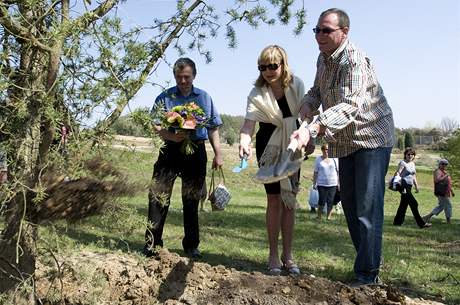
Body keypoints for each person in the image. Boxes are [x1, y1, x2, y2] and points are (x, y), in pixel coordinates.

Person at [290, 8, 394, 286]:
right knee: (349, 204)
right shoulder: (323, 59)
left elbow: (349, 106)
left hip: (372, 136)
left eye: (326, 30)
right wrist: (305, 113)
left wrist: (313, 129)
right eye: (317, 30)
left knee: (367, 208)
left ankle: (367, 275)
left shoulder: (353, 60)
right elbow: (316, 92)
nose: (319, 36)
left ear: (344, 32)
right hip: (346, 140)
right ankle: (368, 263)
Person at [143, 57, 223, 258]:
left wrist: (218, 154)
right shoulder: (165, 96)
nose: (183, 81)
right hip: (169, 150)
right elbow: (155, 123)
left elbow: (213, 127)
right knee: (158, 197)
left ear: (194, 75)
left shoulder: (204, 97)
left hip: (196, 151)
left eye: (186, 77)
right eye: (179, 77)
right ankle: (152, 244)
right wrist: (171, 136)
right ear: (174, 77)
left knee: (191, 199)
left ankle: (191, 245)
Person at [239, 45, 305, 275]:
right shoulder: (256, 93)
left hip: (293, 144)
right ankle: (273, 255)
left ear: (283, 64)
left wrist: (309, 137)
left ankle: (288, 255)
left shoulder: (297, 85)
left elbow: (306, 117)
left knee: (289, 202)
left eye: (272, 66)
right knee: (274, 200)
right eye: (263, 67)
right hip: (268, 145)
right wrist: (244, 141)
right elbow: (248, 126)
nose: (268, 71)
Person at [392, 148, 431, 228]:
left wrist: (416, 186)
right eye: (408, 154)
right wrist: (396, 183)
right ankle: (421, 223)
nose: (410, 156)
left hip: (409, 186)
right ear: (405, 155)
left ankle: (397, 222)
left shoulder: (412, 164)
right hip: (403, 185)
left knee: (404, 204)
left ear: (414, 156)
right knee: (414, 203)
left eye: (412, 154)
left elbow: (413, 176)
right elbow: (398, 173)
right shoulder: (402, 163)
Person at [424, 159, 455, 224]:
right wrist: (445, 176)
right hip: (441, 192)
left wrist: (451, 191)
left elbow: (448, 183)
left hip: (446, 192)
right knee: (448, 205)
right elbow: (437, 180)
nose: (444, 165)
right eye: (442, 164)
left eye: (446, 164)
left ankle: (427, 217)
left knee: (441, 206)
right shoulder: (438, 171)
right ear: (439, 164)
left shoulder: (445, 172)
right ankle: (448, 221)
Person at [312, 143, 339, 220]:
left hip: (333, 183)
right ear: (322, 150)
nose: (326, 151)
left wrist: (339, 183)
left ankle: (328, 217)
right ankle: (319, 216)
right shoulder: (318, 159)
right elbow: (315, 172)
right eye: (325, 149)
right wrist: (314, 183)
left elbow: (338, 171)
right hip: (321, 184)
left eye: (328, 149)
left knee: (331, 201)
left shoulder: (335, 158)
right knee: (322, 200)